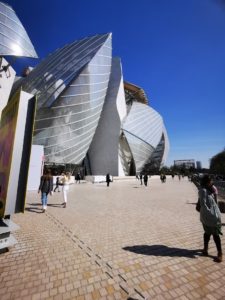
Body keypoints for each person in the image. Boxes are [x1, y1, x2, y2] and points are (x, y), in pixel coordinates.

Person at [198, 175, 223, 262]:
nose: (212, 182)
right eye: (210, 181)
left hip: (213, 216)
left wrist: (216, 214)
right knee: (208, 233)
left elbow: (214, 203)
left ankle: (219, 253)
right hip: (209, 216)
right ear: (207, 182)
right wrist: (211, 215)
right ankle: (206, 249)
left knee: (215, 234)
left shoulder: (211, 189)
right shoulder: (203, 190)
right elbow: (203, 205)